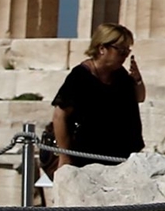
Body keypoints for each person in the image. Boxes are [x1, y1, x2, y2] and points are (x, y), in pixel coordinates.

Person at [51, 24, 147, 166]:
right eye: (121, 50)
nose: (125, 55)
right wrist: (65, 157)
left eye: (127, 51)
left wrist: (137, 79)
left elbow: (139, 98)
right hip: (87, 157)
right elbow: (59, 116)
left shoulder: (120, 74)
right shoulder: (80, 77)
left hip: (122, 157)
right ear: (102, 48)